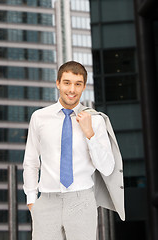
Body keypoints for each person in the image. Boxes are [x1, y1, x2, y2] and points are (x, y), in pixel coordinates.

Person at [23, 61, 125, 240]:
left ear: (84, 86)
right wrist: (32, 200)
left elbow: (108, 167)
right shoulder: (39, 117)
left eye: (78, 84)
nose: (72, 89)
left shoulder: (96, 121)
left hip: (82, 201)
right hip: (46, 200)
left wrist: (89, 134)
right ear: (58, 83)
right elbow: (31, 161)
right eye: (67, 82)